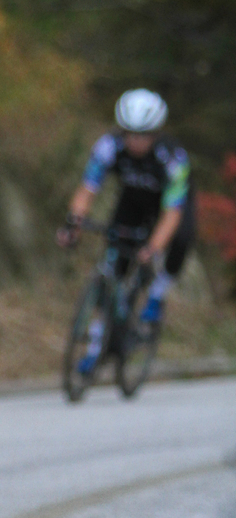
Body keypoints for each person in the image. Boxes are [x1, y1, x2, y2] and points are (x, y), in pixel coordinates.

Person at [57, 88, 195, 371]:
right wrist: (73, 224)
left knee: (181, 240)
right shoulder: (109, 146)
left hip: (168, 206)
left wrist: (152, 248)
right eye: (130, 133)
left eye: (143, 135)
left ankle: (156, 295)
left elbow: (172, 214)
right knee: (115, 263)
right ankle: (97, 344)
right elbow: (87, 190)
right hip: (133, 200)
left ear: (156, 132)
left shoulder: (173, 159)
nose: (135, 141)